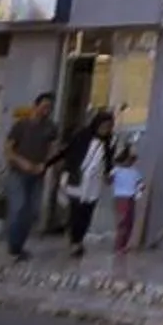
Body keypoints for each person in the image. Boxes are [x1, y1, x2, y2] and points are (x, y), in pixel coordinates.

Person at [0, 92, 60, 262]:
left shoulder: (51, 128)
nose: (46, 111)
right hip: (18, 173)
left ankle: (19, 247)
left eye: (49, 108)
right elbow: (8, 150)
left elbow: (53, 150)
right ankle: (13, 247)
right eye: (44, 107)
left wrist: (46, 165)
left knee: (31, 211)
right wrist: (22, 162)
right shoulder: (21, 125)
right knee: (18, 207)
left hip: (38, 174)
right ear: (35, 106)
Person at [60, 110, 116, 259]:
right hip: (78, 178)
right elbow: (71, 155)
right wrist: (66, 172)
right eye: (104, 125)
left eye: (108, 126)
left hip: (94, 182)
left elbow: (108, 161)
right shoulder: (82, 136)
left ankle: (79, 239)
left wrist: (108, 174)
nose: (105, 129)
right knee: (76, 211)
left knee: (87, 211)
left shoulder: (108, 142)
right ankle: (74, 241)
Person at [109, 140, 143, 258]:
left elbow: (140, 183)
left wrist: (139, 190)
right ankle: (119, 245)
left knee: (129, 221)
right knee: (123, 221)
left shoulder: (134, 171)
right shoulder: (117, 170)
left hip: (130, 197)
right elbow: (109, 180)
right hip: (121, 197)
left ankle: (123, 244)